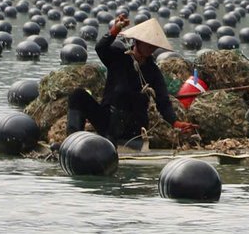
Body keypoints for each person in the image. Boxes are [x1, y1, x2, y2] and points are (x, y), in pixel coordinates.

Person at [68, 15, 196, 148]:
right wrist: (114, 30)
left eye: (153, 45)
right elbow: (100, 48)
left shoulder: (153, 71)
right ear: (137, 41)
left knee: (126, 103)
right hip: (107, 120)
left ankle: (112, 142)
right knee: (77, 95)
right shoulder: (118, 57)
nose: (151, 47)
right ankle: (72, 141)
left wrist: (175, 123)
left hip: (132, 127)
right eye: (148, 43)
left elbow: (163, 102)